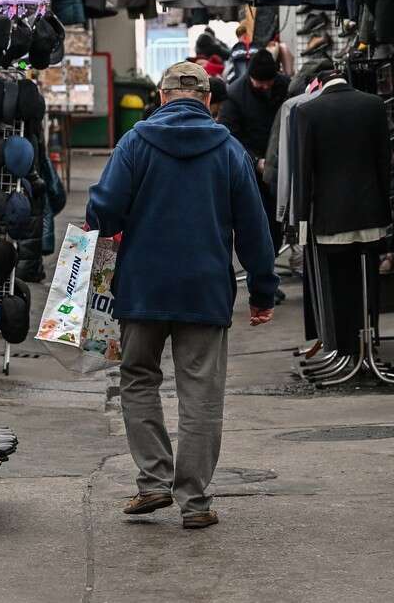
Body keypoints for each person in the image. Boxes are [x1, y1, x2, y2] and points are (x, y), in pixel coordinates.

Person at [85, 61, 279, 530]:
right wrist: (262, 291)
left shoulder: (135, 142)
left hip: (142, 287)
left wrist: (108, 224)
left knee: (137, 379)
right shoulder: (229, 149)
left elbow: (104, 211)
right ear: (209, 100)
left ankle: (153, 482)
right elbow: (254, 227)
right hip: (205, 291)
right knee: (201, 395)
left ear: (162, 97)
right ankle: (194, 502)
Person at [218, 50, 290, 292]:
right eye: (261, 82)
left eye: (270, 81)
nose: (266, 86)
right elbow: (230, 136)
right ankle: (262, 280)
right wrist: (255, 160)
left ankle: (266, 277)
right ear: (250, 77)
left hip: (279, 168)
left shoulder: (283, 86)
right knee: (257, 227)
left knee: (276, 225)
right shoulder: (235, 95)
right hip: (251, 170)